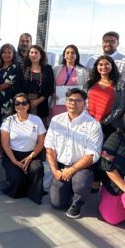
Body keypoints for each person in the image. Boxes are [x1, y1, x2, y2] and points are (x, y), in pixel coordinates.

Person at [45, 88, 103, 218]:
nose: (73, 103)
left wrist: (71, 170)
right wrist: (54, 171)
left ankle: (77, 203)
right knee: (57, 204)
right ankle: (69, 188)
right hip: (61, 166)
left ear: (84, 103)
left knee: (81, 183)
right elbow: (49, 147)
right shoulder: (56, 120)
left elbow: (92, 154)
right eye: (70, 100)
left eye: (78, 101)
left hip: (81, 167)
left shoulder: (93, 125)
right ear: (66, 102)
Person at [0, 93, 46, 204]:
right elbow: (5, 144)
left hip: (32, 154)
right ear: (14, 106)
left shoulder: (36, 120)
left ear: (29, 105)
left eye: (24, 103)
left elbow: (41, 143)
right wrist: (15, 162)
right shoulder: (8, 121)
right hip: (12, 155)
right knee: (17, 177)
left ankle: (34, 194)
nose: (21, 106)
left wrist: (30, 157)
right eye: (17, 103)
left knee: (37, 169)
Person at [85, 54, 125, 141]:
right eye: (100, 64)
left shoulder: (120, 84)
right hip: (89, 123)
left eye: (107, 64)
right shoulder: (89, 83)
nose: (103, 67)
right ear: (96, 67)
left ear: (112, 66)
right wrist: (88, 119)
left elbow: (121, 107)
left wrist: (104, 122)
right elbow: (83, 102)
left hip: (109, 125)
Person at [50, 45, 89, 119]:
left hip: (74, 105)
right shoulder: (56, 69)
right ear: (64, 56)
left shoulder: (83, 71)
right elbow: (51, 84)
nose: (70, 55)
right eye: (67, 53)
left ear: (76, 56)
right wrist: (52, 93)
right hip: (58, 103)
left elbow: (85, 89)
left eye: (72, 53)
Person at [0, 43, 23, 129]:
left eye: (9, 52)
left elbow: (6, 84)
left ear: (13, 54)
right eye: (4, 52)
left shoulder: (15, 66)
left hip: (8, 102)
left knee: (7, 127)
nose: (6, 55)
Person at [21, 45, 55, 122]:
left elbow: (49, 87)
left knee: (40, 125)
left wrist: (38, 101)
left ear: (41, 55)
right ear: (28, 55)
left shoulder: (48, 68)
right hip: (24, 102)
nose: (34, 55)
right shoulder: (23, 68)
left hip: (41, 102)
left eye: (36, 53)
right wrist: (26, 101)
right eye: (31, 52)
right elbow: (19, 85)